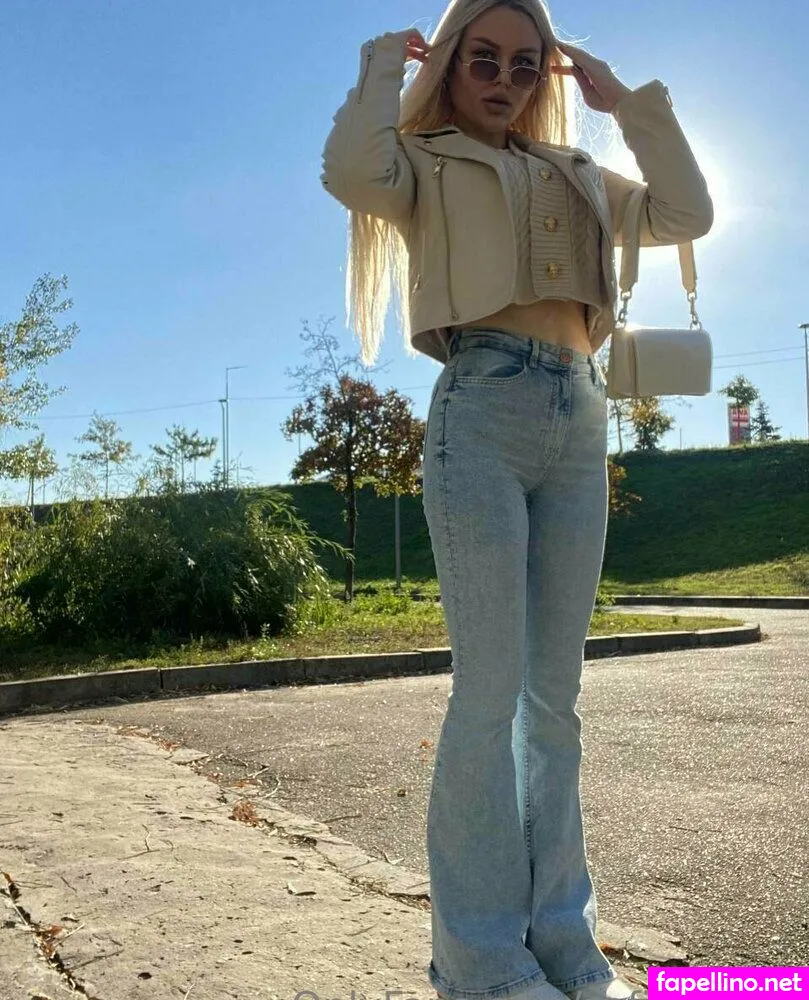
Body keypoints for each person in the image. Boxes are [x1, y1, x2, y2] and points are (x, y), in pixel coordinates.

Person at [320, 2, 713, 999]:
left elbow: (686, 214)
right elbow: (350, 174)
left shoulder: (576, 172)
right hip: (482, 410)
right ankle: (481, 962)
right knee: (487, 696)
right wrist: (382, 65)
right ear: (452, 64)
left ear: (546, 75)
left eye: (524, 64)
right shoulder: (423, 161)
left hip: (579, 417)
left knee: (554, 707)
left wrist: (625, 105)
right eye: (483, 59)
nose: (502, 79)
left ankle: (565, 945)